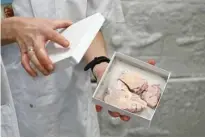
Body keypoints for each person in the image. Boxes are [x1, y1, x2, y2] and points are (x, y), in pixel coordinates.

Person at [1, 0, 131, 136]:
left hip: (71, 102)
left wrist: (101, 66)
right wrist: (10, 28)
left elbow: (91, 20)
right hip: (11, 97)